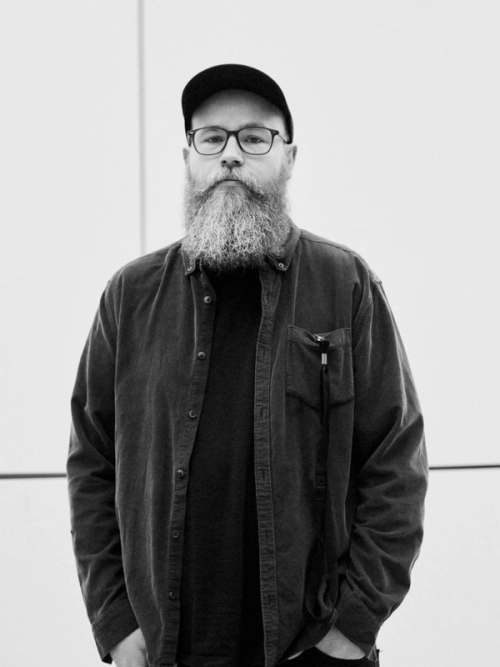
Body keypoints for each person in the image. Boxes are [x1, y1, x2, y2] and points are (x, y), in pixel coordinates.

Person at [67, 64, 428, 667]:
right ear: (189, 157)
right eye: (212, 138)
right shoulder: (129, 296)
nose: (230, 155)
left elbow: (395, 463)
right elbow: (92, 463)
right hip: (166, 650)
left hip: (307, 648)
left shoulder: (345, 284)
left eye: (255, 138)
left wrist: (350, 631)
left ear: (289, 157)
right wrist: (115, 621)